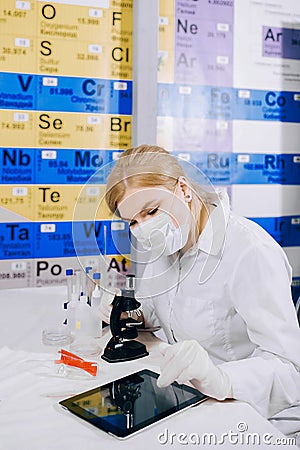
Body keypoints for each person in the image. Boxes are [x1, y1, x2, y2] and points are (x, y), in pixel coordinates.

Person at [100, 144, 300, 443]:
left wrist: (221, 379)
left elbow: (290, 370)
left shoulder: (249, 251)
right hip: (187, 400)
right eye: (133, 222)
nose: (144, 228)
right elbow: (156, 312)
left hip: (255, 417)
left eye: (151, 210)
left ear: (183, 189)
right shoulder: (165, 243)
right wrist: (129, 313)